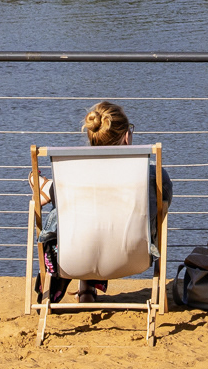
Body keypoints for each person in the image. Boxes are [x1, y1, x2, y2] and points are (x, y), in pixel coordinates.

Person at [38, 101, 174, 304]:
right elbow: (163, 207)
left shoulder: (73, 175)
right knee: (109, 214)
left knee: (76, 212)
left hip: (75, 257)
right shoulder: (153, 175)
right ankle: (87, 288)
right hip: (134, 257)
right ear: (127, 137)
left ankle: (46, 188)